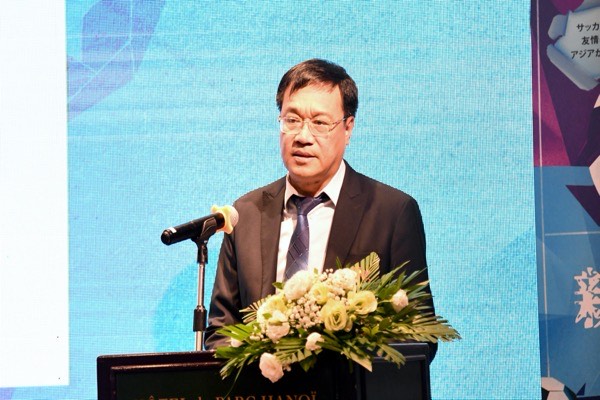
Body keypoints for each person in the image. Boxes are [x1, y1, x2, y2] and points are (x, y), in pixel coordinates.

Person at [205, 59, 436, 359]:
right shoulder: (246, 213)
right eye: (291, 120)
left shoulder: (391, 213)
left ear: (348, 127)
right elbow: (221, 330)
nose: (303, 136)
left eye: (319, 123)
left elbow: (419, 335)